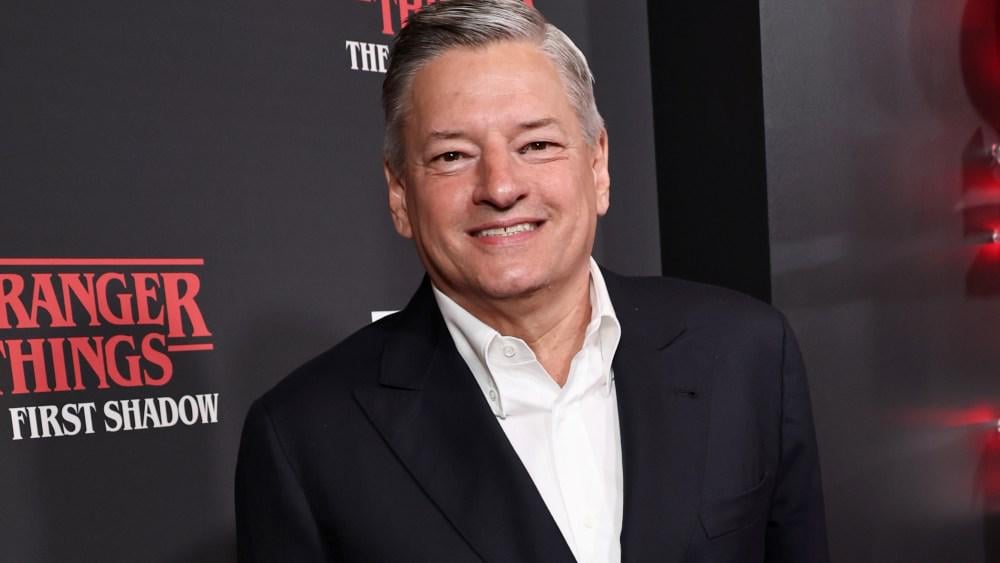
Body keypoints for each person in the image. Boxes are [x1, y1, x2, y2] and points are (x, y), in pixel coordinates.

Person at [234, 1, 829, 561]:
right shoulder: (303, 439)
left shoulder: (746, 352)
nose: (500, 187)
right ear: (399, 193)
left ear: (597, 165)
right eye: (452, 156)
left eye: (537, 144)